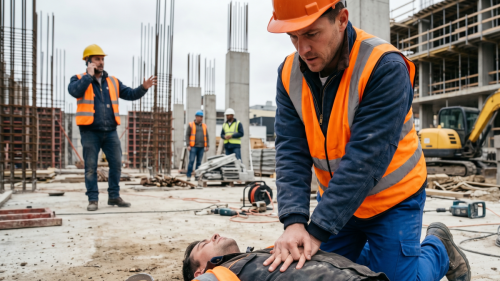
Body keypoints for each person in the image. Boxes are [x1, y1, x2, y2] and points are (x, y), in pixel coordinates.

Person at [266, 1, 471, 281]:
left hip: (393, 198)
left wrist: (318, 230)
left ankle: (438, 249)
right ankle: (378, 258)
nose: (302, 49)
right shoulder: (289, 73)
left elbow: (366, 158)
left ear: (341, 19)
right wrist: (294, 221)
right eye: (293, 37)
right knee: (320, 272)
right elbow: (291, 149)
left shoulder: (384, 66)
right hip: (339, 200)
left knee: (395, 279)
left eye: (311, 34)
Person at [68, 44, 156, 211]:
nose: (101, 62)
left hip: (110, 132)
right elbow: (75, 92)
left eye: (102, 59)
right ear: (88, 61)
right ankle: (93, 199)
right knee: (91, 167)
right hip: (90, 131)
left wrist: (143, 88)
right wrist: (88, 76)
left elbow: (129, 94)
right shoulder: (78, 79)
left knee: (116, 164)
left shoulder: (113, 82)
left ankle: (114, 196)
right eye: (96, 59)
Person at [182, 233, 390, 281]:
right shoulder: (214, 276)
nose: (214, 235)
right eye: (204, 244)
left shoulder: (265, 252)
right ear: (199, 273)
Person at [185, 110, 209, 181]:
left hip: (201, 147)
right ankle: (188, 176)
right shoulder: (191, 125)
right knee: (191, 161)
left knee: (199, 162)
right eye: (200, 117)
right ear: (196, 117)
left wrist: (207, 145)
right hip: (193, 147)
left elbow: (207, 136)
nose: (201, 118)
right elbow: (187, 135)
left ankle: (197, 176)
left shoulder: (204, 126)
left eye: (202, 117)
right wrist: (188, 144)